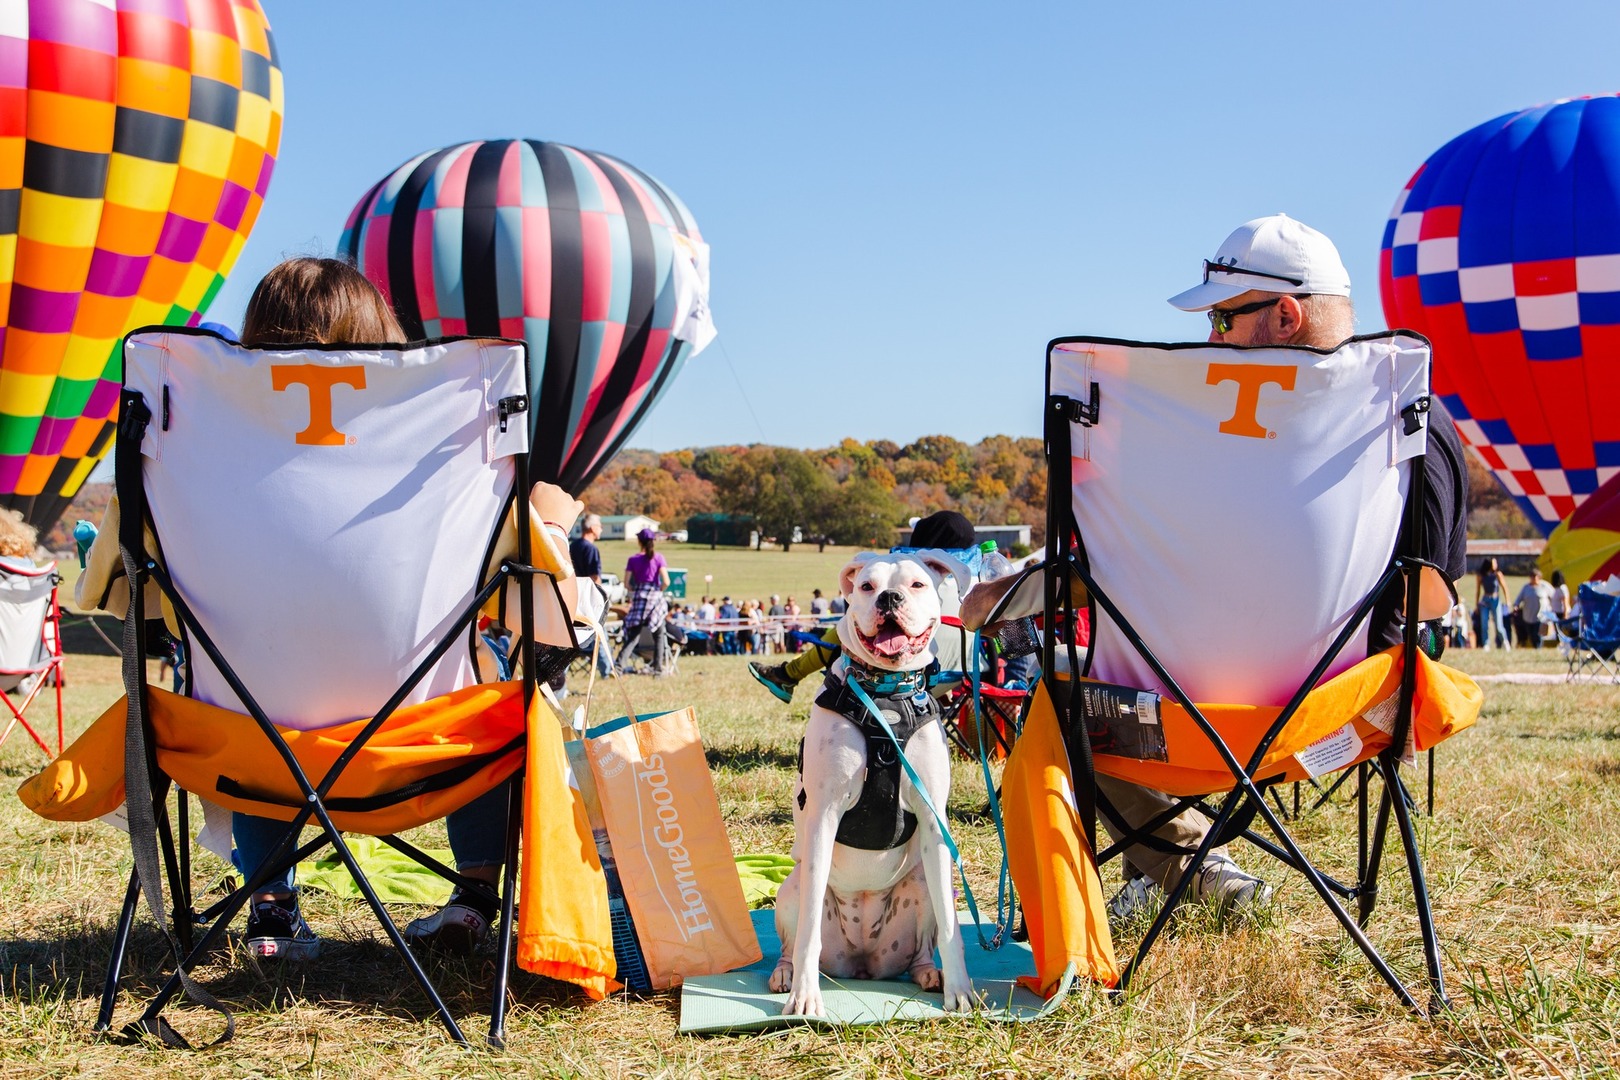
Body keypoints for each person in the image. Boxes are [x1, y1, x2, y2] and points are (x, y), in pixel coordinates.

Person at [964, 214, 1469, 926]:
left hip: (1167, 727)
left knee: (1065, 698)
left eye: (1224, 318)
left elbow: (1106, 568)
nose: (1211, 338)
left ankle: (1189, 868)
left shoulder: (1166, 429)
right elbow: (1432, 595)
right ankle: (1195, 871)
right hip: (1346, 723)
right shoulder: (1411, 417)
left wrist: (1012, 592)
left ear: (1287, 315)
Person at [227, 257, 522, 960]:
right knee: (492, 669)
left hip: (254, 739)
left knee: (242, 667)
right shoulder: (447, 424)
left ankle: (269, 907)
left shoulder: (197, 431)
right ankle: (477, 895)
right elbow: (514, 572)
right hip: (422, 734)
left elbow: (131, 582)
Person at [748, 510, 981, 701]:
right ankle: (789, 674)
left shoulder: (909, 574)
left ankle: (790, 674)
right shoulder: (983, 585)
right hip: (968, 675)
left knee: (849, 626)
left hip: (898, 677)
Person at [617, 528, 671, 674]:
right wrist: (658, 591)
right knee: (659, 635)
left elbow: (627, 583)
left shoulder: (633, 559)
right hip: (655, 598)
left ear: (639, 541)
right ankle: (658, 669)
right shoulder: (659, 558)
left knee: (633, 636)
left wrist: (636, 591)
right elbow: (666, 581)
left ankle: (619, 666)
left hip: (640, 597)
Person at [569, 514, 615, 676]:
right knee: (598, 634)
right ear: (592, 528)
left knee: (571, 636)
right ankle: (608, 670)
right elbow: (595, 577)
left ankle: (560, 671)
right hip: (588, 598)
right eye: (600, 525)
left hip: (572, 597)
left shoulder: (572, 546)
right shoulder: (591, 549)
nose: (601, 529)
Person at [1513, 568, 1555, 648]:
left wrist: (1551, 608)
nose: (1533, 578)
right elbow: (1518, 599)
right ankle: (1535, 647)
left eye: (1535, 576)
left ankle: (1538, 648)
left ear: (1539, 577)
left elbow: (1554, 596)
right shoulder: (1526, 587)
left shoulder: (1544, 586)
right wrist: (1516, 606)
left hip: (1541, 616)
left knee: (1537, 634)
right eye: (1531, 576)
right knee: (1531, 635)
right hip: (1528, 616)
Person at [1476, 557, 1509, 649]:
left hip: (1495, 600)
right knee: (1484, 624)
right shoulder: (1481, 575)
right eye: (1494, 563)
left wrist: (1507, 601)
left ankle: (1505, 642)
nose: (1496, 565)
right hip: (1485, 600)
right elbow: (1478, 590)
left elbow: (1504, 587)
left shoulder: (1498, 574)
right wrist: (1477, 604)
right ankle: (1486, 644)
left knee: (1498, 625)